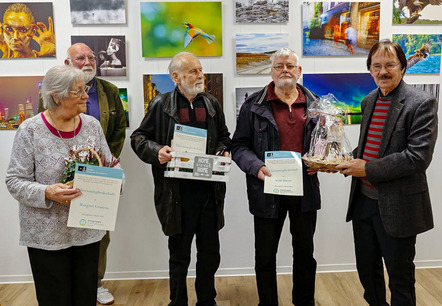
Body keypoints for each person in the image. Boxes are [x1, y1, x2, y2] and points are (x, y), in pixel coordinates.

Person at [335, 39, 438, 305]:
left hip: (398, 206)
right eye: (376, 65)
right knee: (368, 275)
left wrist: (366, 168)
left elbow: (417, 158)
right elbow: (370, 145)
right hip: (363, 204)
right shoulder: (369, 100)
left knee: (400, 279)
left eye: (390, 64)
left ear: (403, 67)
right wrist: (338, 160)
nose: (383, 71)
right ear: (369, 69)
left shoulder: (422, 103)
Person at [5, 65, 118, 305]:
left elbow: (110, 165)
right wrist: (48, 191)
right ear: (56, 96)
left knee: (85, 298)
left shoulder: (91, 126)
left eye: (85, 89)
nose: (86, 96)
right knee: (54, 299)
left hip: (87, 231)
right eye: (78, 91)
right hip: (46, 236)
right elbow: (14, 181)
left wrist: (115, 182)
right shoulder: (30, 130)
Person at [131, 51, 230, 306]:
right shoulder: (160, 105)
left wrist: (223, 149)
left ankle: (207, 300)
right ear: (176, 77)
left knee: (210, 253)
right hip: (176, 193)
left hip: (209, 192)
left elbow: (224, 136)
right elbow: (139, 138)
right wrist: (158, 152)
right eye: (193, 71)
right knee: (179, 255)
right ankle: (178, 301)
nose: (200, 75)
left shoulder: (211, 103)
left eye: (200, 70)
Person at [37, 42, 126, 305]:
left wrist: (104, 168)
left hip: (98, 177)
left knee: (97, 233)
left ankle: (94, 283)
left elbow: (118, 130)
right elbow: (45, 129)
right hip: (57, 184)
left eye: (91, 57)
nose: (88, 61)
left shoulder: (109, 92)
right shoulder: (45, 101)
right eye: (80, 58)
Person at [230, 48, 321, 306]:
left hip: (305, 190)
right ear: (271, 71)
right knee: (266, 256)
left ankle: (304, 302)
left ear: (299, 71)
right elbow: (239, 146)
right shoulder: (253, 106)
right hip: (267, 190)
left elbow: (324, 143)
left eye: (290, 66)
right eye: (279, 66)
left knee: (305, 253)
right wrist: (256, 166)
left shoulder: (315, 105)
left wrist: (320, 161)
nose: (285, 70)